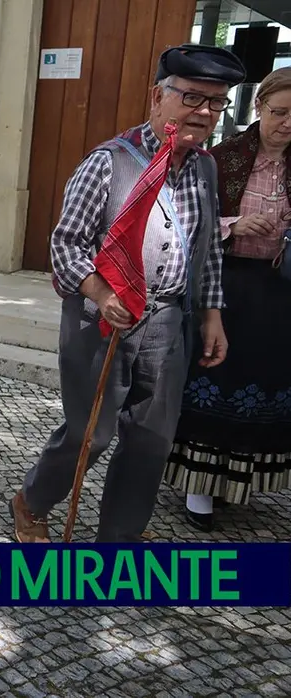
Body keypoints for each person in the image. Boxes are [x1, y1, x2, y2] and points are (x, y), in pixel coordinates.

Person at [9, 44, 246, 543]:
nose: (203, 112)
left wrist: (211, 315)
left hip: (169, 321)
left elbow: (208, 249)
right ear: (158, 96)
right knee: (89, 434)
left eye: (216, 103)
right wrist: (99, 291)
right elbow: (66, 245)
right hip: (102, 318)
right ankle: (32, 501)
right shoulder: (109, 162)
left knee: (151, 440)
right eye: (192, 98)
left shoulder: (205, 168)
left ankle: (119, 539)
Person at [165, 67, 291, 532]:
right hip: (228, 286)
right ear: (259, 108)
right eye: (279, 112)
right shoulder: (221, 158)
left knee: (265, 382)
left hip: (280, 291)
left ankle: (237, 481)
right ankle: (199, 483)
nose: (288, 123)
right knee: (217, 378)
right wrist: (233, 226)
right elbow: (190, 223)